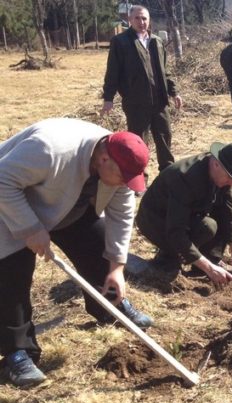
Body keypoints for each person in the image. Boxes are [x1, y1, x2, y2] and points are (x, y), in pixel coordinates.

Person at [0, 118, 154, 388]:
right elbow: (3, 180)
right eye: (122, 178)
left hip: (66, 205)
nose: (124, 184)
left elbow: (122, 214)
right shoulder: (49, 149)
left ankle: (108, 306)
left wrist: (117, 267)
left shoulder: (120, 161)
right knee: (13, 276)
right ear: (104, 158)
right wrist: (30, 228)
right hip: (9, 204)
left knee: (99, 247)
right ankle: (18, 352)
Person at [136, 143, 232, 287]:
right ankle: (169, 258)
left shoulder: (218, 172)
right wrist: (209, 269)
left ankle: (210, 258)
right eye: (230, 177)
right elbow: (176, 231)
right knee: (207, 226)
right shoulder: (185, 178)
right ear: (216, 164)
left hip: (188, 210)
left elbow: (230, 208)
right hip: (156, 220)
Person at [102, 5, 183, 174]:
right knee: (138, 143)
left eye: (144, 18)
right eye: (137, 18)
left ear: (149, 20)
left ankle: (167, 174)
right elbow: (113, 72)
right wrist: (108, 98)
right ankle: (139, 177)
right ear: (130, 20)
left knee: (164, 136)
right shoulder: (121, 42)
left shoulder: (157, 41)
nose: (141, 22)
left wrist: (174, 92)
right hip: (136, 103)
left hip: (160, 101)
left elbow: (165, 71)